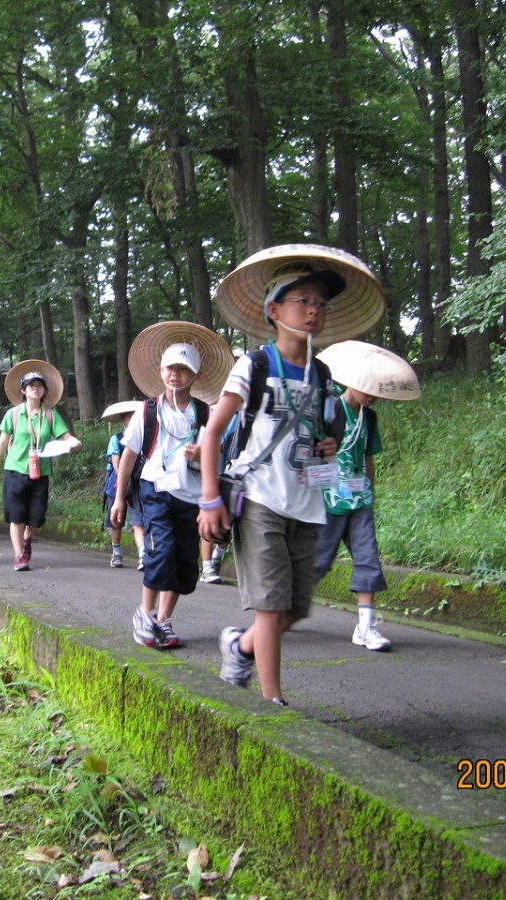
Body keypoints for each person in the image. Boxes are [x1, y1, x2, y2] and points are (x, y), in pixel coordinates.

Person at [198, 244, 386, 705]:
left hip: (308, 503)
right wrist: (210, 498)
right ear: (274, 310)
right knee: (271, 607)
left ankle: (240, 647)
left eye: (321, 303)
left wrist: (326, 445)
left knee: (295, 610)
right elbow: (213, 432)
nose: (314, 310)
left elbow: (323, 433)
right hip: (260, 498)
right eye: (302, 300)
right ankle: (274, 703)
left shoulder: (321, 374)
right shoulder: (255, 365)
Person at [111, 321, 234, 650]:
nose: (175, 374)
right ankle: (145, 613)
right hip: (156, 491)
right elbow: (129, 455)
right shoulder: (147, 411)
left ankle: (163, 620)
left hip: (192, 497)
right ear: (161, 371)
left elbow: (216, 455)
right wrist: (119, 498)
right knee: (160, 552)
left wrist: (202, 454)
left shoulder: (205, 413)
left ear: (195, 375)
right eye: (170, 368)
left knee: (183, 561)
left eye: (183, 369)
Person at [313, 340, 421, 651]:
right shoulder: (330, 409)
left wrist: (371, 490)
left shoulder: (369, 418)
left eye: (377, 388)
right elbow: (313, 450)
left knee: (368, 559)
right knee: (317, 562)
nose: (372, 394)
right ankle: (279, 612)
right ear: (352, 380)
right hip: (328, 499)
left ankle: (365, 626)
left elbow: (367, 456)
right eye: (367, 387)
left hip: (359, 500)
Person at [0, 360, 81, 572]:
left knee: (36, 518)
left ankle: (27, 537)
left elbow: (66, 437)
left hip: (41, 472)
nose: (35, 388)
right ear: (23, 390)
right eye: (31, 385)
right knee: (16, 516)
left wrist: (74, 443)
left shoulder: (50, 415)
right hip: (15, 470)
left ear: (44, 390)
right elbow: (2, 442)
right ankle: (19, 555)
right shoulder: (13, 414)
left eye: (39, 385)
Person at [100, 401, 145, 570]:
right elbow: (117, 463)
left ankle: (143, 555)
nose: (133, 420)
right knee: (116, 520)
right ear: (123, 420)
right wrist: (124, 480)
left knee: (138, 520)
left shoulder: (144, 437)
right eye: (129, 417)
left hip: (138, 484)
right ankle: (116, 553)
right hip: (117, 483)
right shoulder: (117, 439)